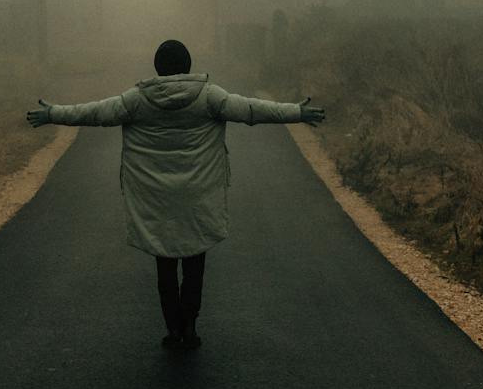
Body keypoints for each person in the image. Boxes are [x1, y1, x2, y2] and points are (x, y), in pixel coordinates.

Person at [26, 39, 325, 351]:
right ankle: (191, 326)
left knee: (165, 264)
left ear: (157, 67)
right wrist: (297, 112)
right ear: (188, 65)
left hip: (154, 198)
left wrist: (53, 114)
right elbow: (252, 109)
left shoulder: (136, 100)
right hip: (199, 195)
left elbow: (94, 113)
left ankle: (173, 329)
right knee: (195, 262)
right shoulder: (210, 96)